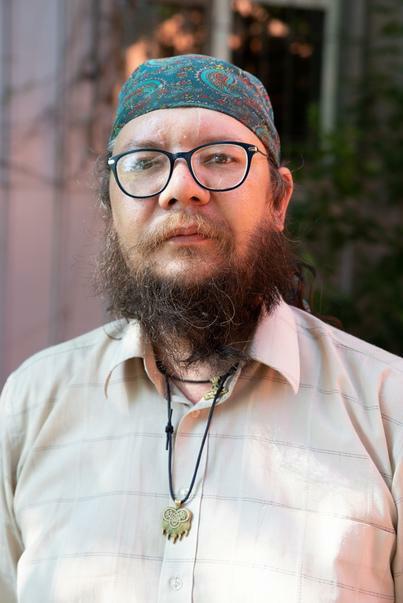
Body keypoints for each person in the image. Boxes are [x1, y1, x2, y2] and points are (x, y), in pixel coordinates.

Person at [0, 54, 402, 603]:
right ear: (110, 207)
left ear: (278, 200)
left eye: (219, 157)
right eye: (145, 162)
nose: (181, 188)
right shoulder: (33, 402)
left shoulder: (387, 410)